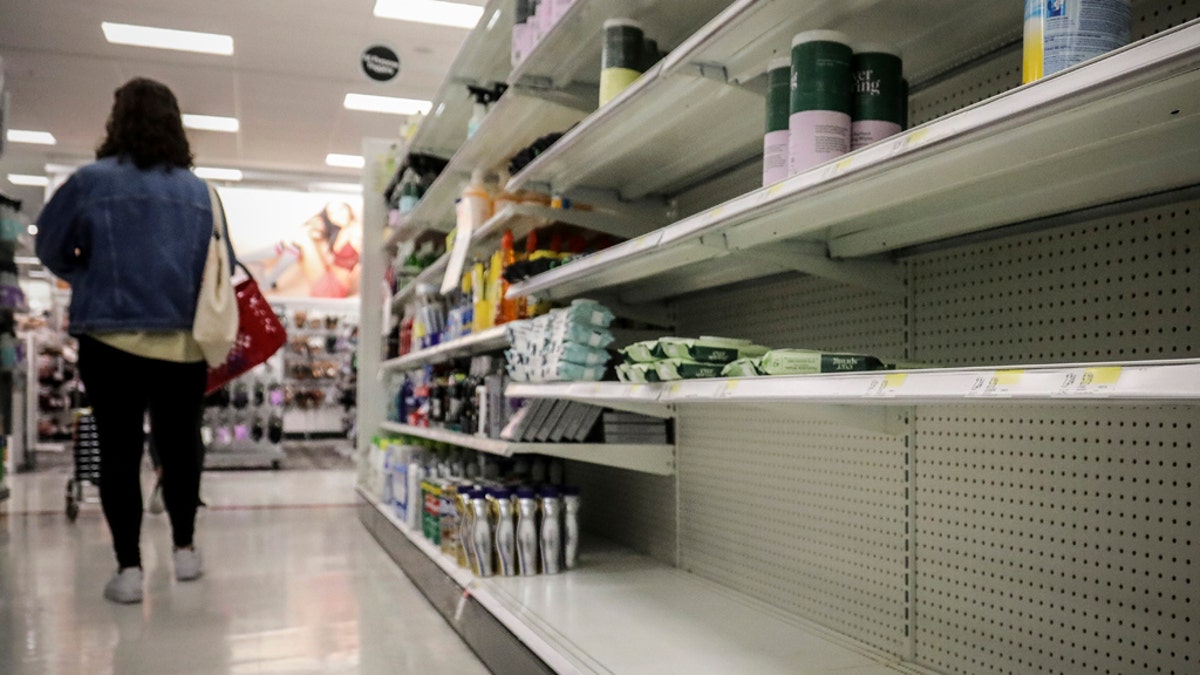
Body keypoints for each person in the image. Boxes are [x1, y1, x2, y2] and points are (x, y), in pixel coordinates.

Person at [36, 78, 216, 604]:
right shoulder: (198, 191)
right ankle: (184, 552)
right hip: (183, 341)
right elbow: (210, 265)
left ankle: (129, 570)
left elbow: (50, 247)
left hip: (109, 339)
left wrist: (86, 270)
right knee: (182, 446)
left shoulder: (90, 182)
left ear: (117, 120)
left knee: (119, 449)